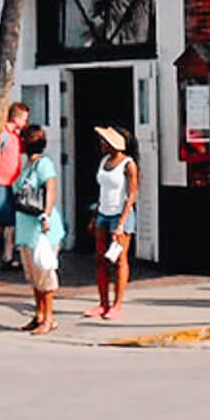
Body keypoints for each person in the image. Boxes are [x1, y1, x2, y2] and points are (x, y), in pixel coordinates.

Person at [11, 125, 64, 335]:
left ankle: (49, 318)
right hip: (25, 227)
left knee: (44, 273)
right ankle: (39, 314)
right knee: (33, 275)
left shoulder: (44, 164)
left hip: (41, 228)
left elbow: (50, 190)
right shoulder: (27, 165)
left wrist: (46, 215)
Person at [86, 125, 138, 321]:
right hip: (103, 212)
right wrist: (94, 216)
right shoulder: (104, 161)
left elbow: (131, 195)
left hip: (120, 214)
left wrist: (121, 224)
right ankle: (103, 303)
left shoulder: (128, 164)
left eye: (104, 141)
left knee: (119, 259)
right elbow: (102, 191)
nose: (101, 144)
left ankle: (117, 304)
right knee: (100, 259)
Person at [0, 102, 30, 273]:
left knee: (10, 222)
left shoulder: (15, 136)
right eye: (24, 119)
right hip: (1, 182)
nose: (25, 123)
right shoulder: (3, 135)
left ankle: (8, 256)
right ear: (16, 118)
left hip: (12, 183)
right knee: (0, 221)